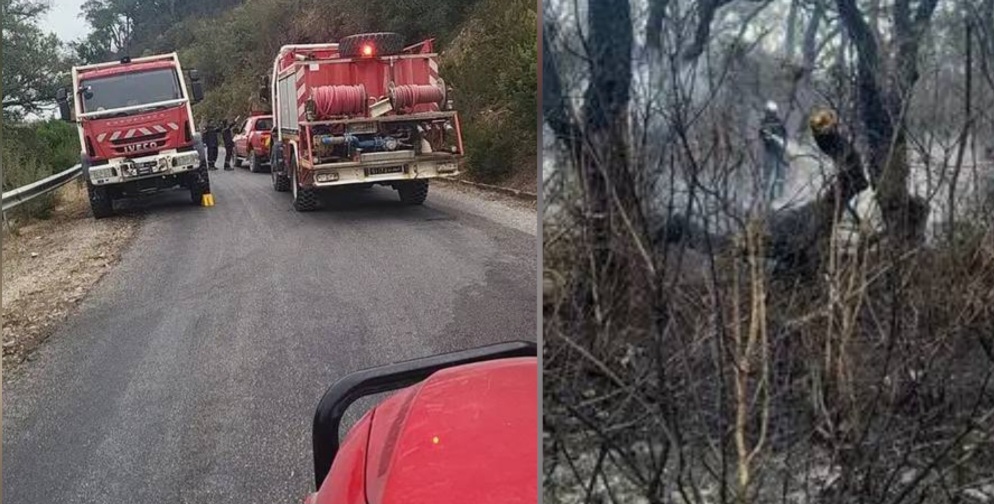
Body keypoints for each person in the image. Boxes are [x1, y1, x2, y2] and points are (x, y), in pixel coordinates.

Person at [759, 101, 788, 201]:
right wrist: (769, 137)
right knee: (767, 175)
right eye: (770, 112)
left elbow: (785, 135)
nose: (772, 114)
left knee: (781, 175)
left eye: (773, 112)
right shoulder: (763, 123)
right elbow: (762, 136)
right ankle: (765, 196)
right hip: (769, 152)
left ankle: (780, 196)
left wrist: (783, 145)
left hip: (779, 152)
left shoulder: (779, 122)